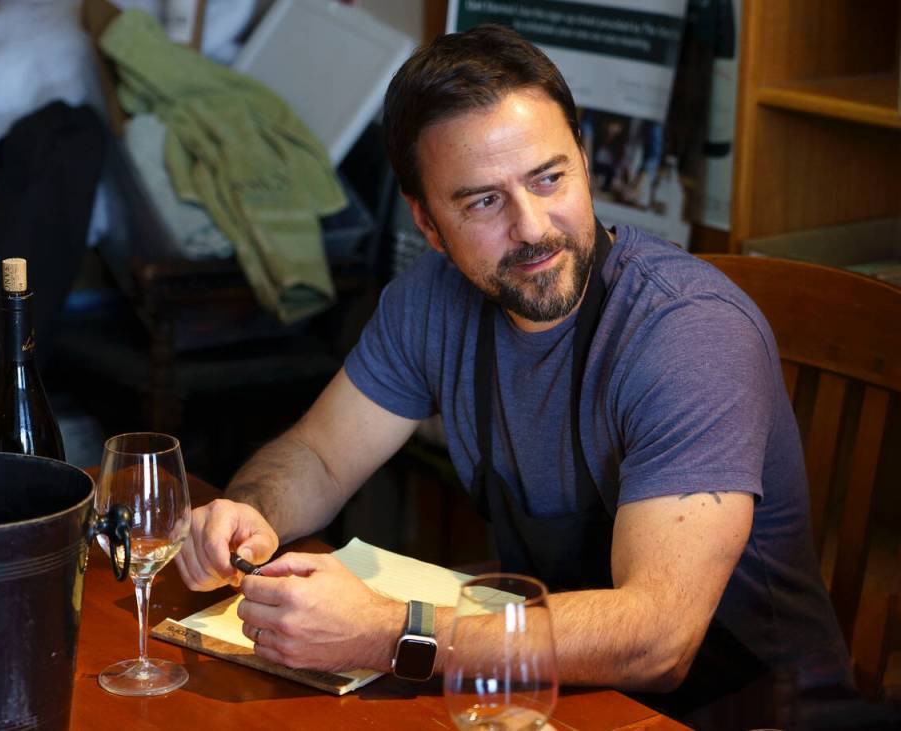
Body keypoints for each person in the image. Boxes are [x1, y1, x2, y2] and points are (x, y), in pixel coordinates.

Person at [174, 24, 849, 716]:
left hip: (742, 710)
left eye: (549, 178)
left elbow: (659, 638)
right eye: (483, 201)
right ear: (428, 224)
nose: (531, 227)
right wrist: (251, 511)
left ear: (583, 161)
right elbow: (318, 456)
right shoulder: (431, 301)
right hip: (550, 688)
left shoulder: (687, 333)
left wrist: (385, 631)